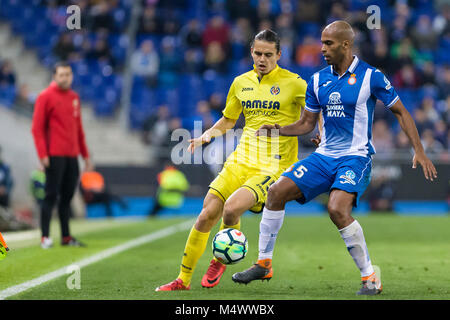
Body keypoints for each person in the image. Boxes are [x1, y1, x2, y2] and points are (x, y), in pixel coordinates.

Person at [232, 21, 438, 296]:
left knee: (337, 209)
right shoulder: (317, 80)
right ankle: (263, 263)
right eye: (322, 42)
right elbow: (307, 123)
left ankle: (370, 278)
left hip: (355, 156)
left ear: (345, 44)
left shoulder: (371, 76)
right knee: (276, 192)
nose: (322, 48)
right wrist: (278, 130)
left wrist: (419, 149)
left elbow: (400, 111)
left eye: (328, 43)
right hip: (324, 156)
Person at [155, 29, 308, 291]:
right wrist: (206, 136)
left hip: (273, 165)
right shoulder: (240, 82)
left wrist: (323, 136)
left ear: (279, 55)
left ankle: (219, 259)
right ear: (251, 52)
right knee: (205, 216)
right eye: (258, 53)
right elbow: (229, 119)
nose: (262, 59)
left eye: (268, 55)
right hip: (240, 160)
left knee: (230, 209)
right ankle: (183, 280)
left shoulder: (295, 83)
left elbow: (313, 117)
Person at [31, 61, 93, 249]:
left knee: (67, 196)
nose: (65, 78)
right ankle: (45, 237)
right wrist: (43, 154)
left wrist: (85, 155)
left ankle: (66, 237)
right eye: (61, 75)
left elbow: (78, 129)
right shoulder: (45, 96)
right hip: (54, 154)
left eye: (68, 74)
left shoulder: (74, 97)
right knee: (50, 195)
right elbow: (37, 129)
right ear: (54, 76)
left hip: (72, 156)